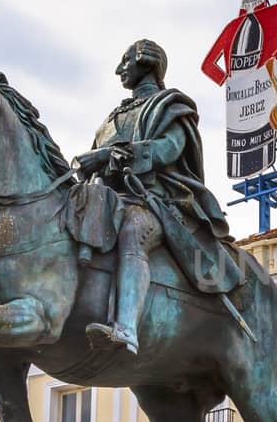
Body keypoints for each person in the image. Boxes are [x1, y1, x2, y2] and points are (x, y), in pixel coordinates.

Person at [74, 39, 242, 356]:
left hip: (153, 201)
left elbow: (167, 150)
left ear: (146, 61)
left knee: (132, 232)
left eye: (125, 61)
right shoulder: (110, 119)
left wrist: (109, 156)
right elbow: (95, 163)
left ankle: (125, 328)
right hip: (106, 200)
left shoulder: (171, 107)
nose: (118, 69)